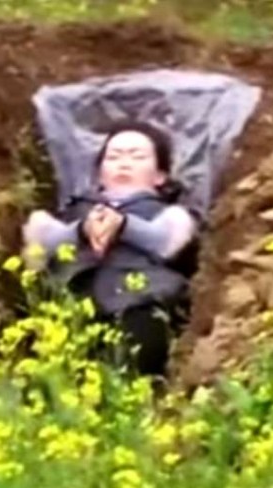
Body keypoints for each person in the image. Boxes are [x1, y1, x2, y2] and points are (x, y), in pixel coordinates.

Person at [21, 120, 201, 376]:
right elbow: (40, 244)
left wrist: (124, 225)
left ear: (160, 175)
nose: (124, 163)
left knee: (133, 363)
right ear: (100, 173)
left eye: (137, 156)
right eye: (114, 156)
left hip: (140, 307)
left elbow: (167, 242)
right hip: (74, 306)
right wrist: (81, 230)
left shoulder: (170, 214)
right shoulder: (75, 211)